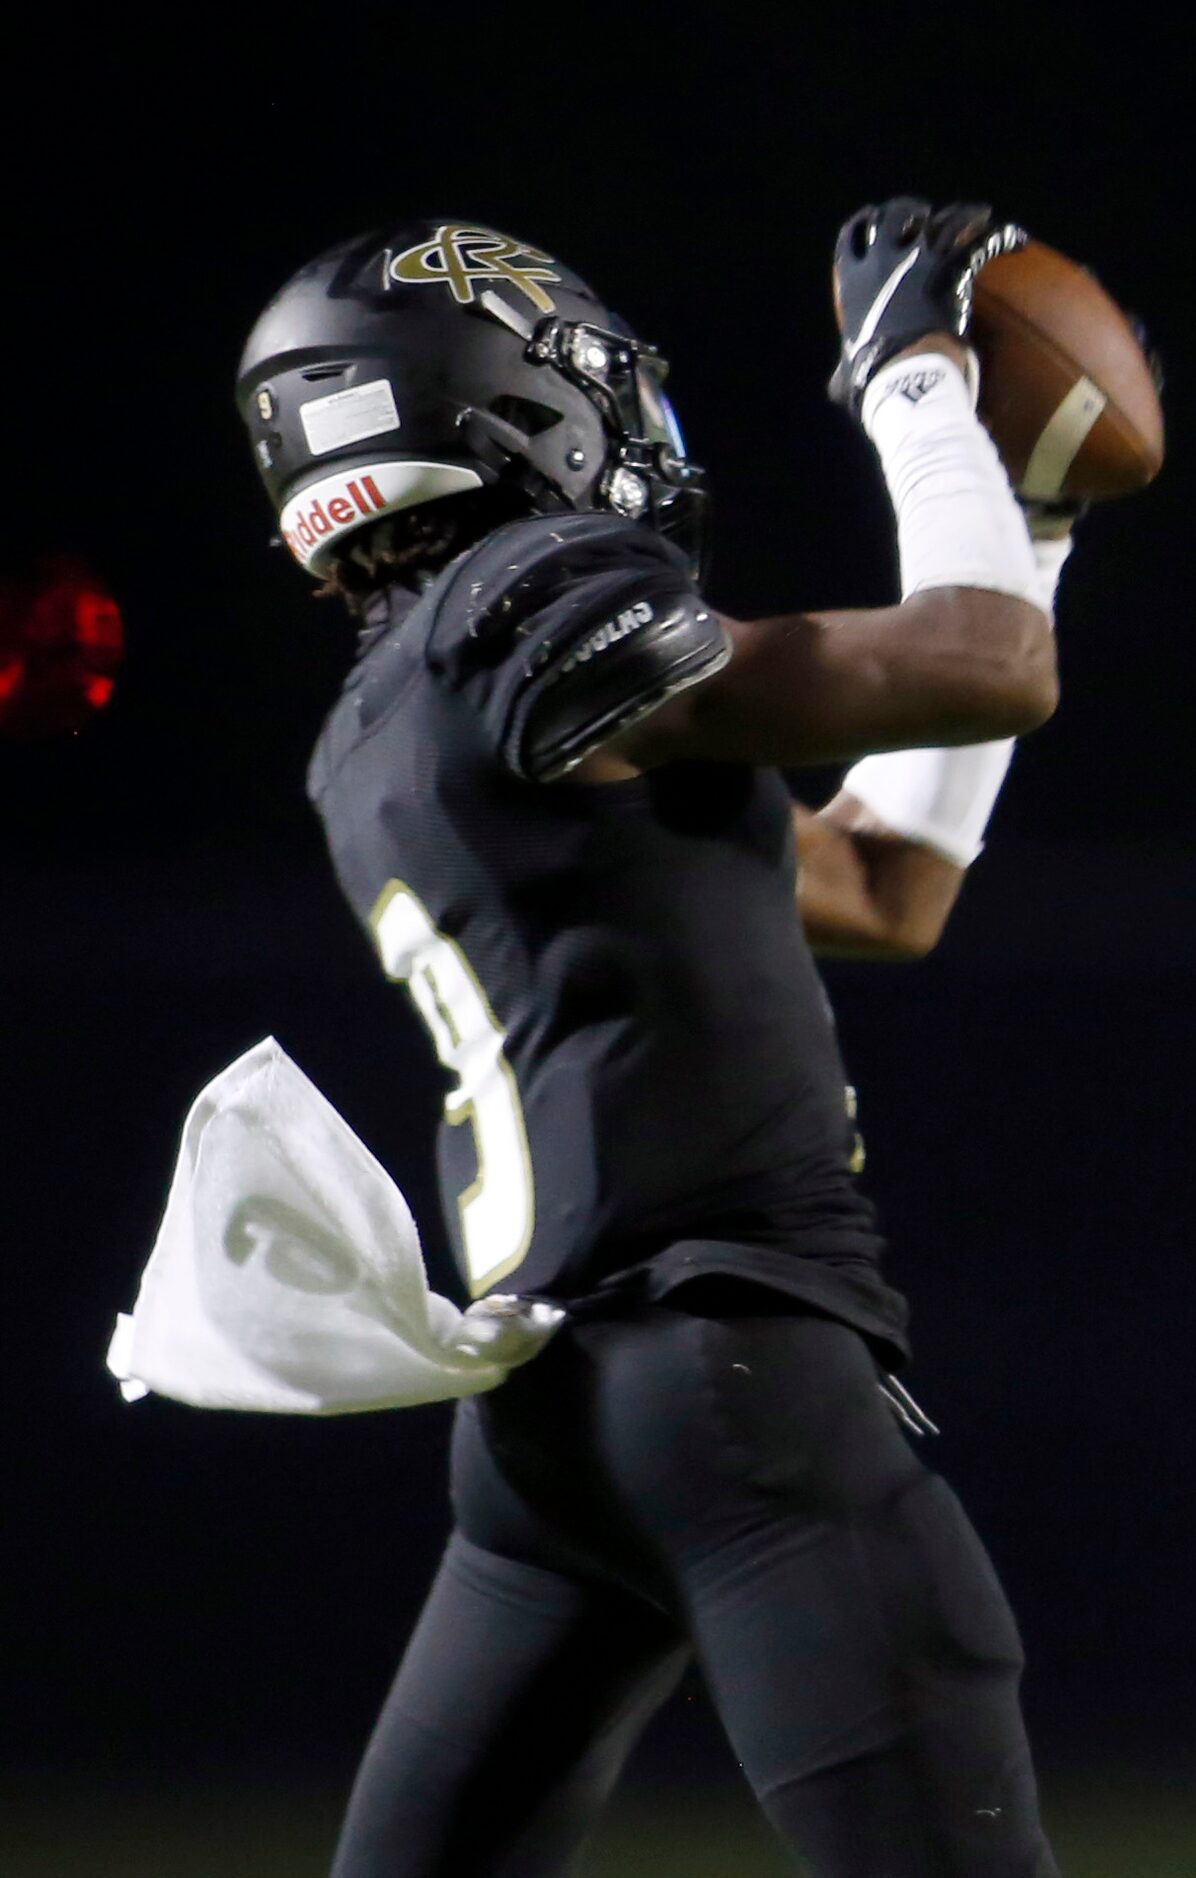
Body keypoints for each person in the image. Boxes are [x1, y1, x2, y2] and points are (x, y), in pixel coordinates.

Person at [236, 202, 1074, 1876]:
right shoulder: (530, 589)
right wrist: (914, 380)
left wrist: (1029, 523)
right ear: (502, 403)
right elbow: (988, 669)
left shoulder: (387, 714)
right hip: (731, 1375)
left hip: (546, 1430)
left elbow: (884, 884)